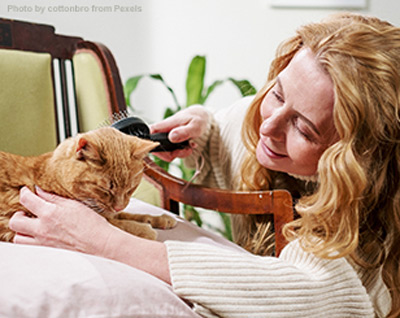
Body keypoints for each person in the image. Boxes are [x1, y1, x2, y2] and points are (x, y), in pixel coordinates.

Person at [8, 12, 399, 317]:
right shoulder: (266, 120)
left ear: (354, 158)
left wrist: (105, 241)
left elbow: (307, 296)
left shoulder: (365, 222)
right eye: (277, 93)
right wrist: (205, 130)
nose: (269, 125)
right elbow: (230, 123)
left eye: (304, 128)